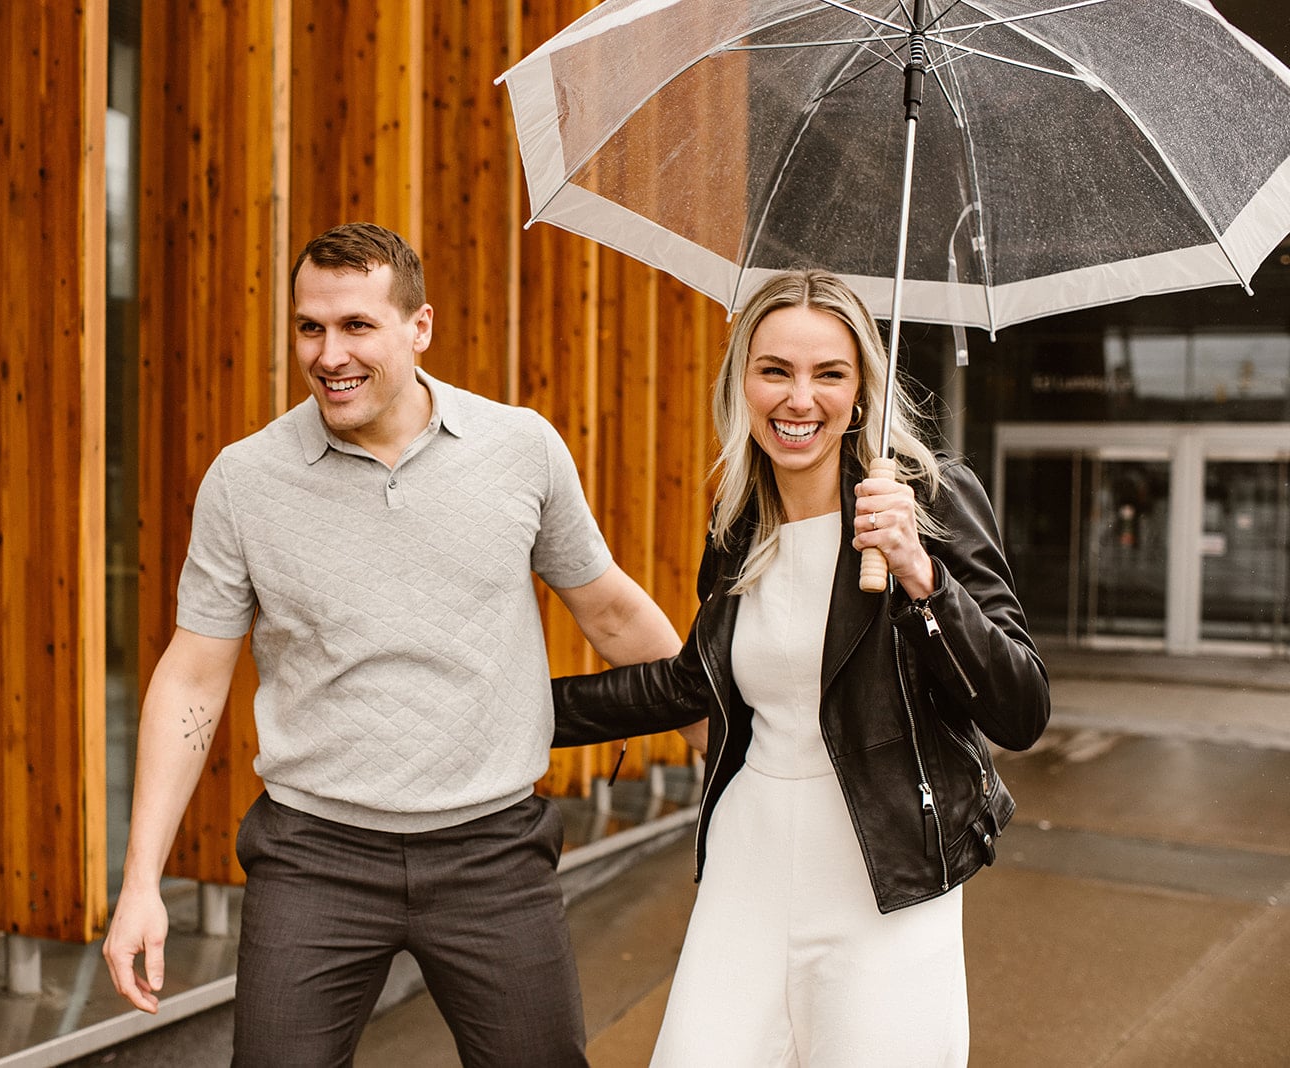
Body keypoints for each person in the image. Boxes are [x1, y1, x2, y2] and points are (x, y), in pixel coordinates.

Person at [101, 221, 681, 1066]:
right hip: (314, 859)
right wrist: (140, 881)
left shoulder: (520, 449)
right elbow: (193, 676)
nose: (328, 353)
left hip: (493, 854)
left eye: (357, 326)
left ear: (421, 328)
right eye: (310, 327)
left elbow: (613, 614)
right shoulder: (245, 480)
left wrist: (722, 739)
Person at [551, 268, 1050, 1066]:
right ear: (741, 382)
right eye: (775, 370)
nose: (799, 399)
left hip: (885, 875)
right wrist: (520, 711)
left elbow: (1021, 708)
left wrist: (924, 576)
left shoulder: (929, 499)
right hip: (748, 863)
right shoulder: (738, 519)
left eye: (829, 374)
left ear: (861, 393)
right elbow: (691, 683)